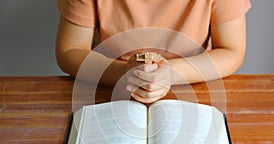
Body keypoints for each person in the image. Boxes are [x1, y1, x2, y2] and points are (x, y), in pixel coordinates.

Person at [56, 0, 251, 103]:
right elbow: (70, 50)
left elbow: (231, 50)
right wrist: (124, 74)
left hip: (194, 90)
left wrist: (172, 73)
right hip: (107, 91)